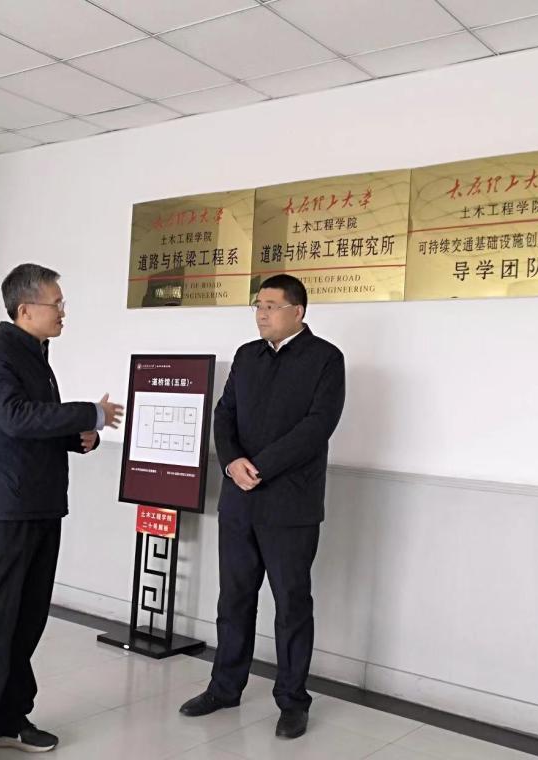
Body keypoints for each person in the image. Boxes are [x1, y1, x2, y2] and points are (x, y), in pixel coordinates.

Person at [0, 264, 124, 760]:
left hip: (40, 506)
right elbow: (16, 417)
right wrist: (91, 412)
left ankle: (6, 719)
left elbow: (32, 428)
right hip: (5, 512)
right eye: (56, 303)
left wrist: (78, 438)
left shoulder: (36, 357)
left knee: (26, 621)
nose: (63, 312)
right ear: (25, 310)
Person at [179, 273, 345, 739]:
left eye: (271, 306)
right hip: (239, 500)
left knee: (291, 604)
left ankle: (292, 701)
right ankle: (224, 687)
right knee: (233, 598)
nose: (262, 314)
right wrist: (232, 461)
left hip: (290, 505)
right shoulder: (247, 356)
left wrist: (261, 467)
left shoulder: (326, 359)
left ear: (298, 311)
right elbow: (224, 414)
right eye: (258, 306)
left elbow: (317, 426)